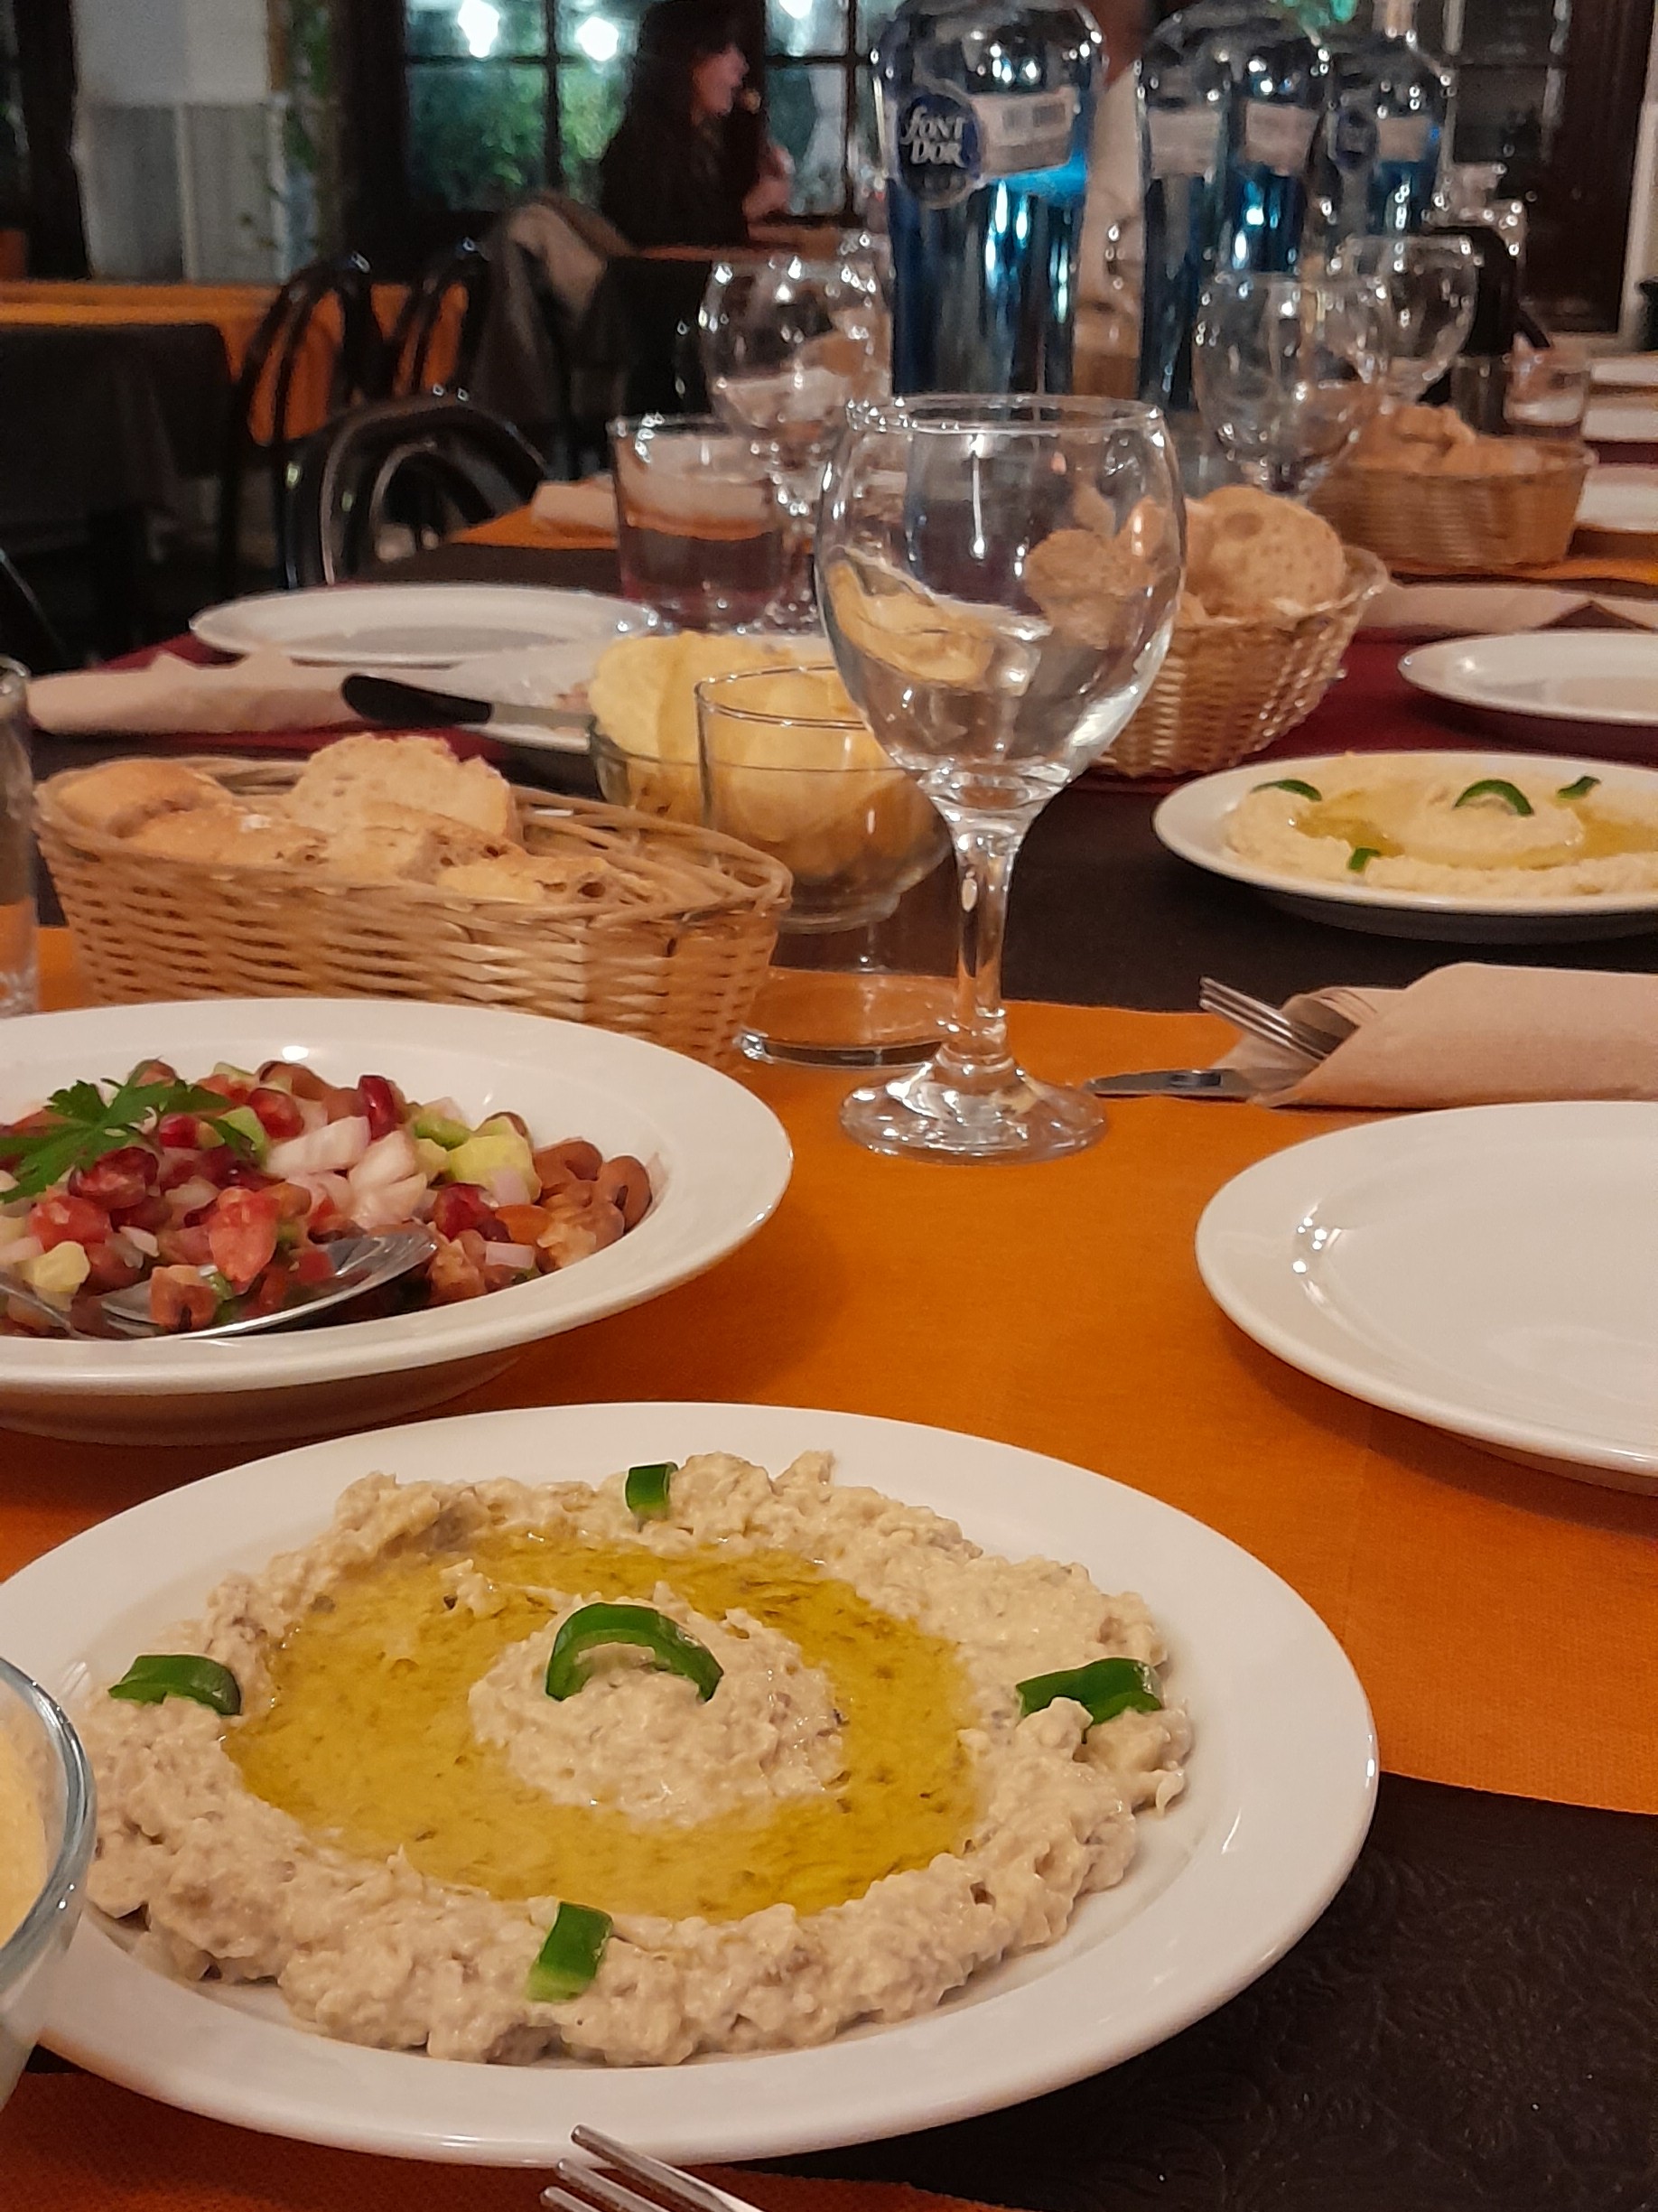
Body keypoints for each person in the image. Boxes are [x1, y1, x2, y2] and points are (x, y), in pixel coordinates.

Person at [598, 0, 793, 250]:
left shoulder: (704, 148)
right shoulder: (642, 150)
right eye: (726, 49)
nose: (741, 66)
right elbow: (658, 247)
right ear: (689, 61)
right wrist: (747, 209)